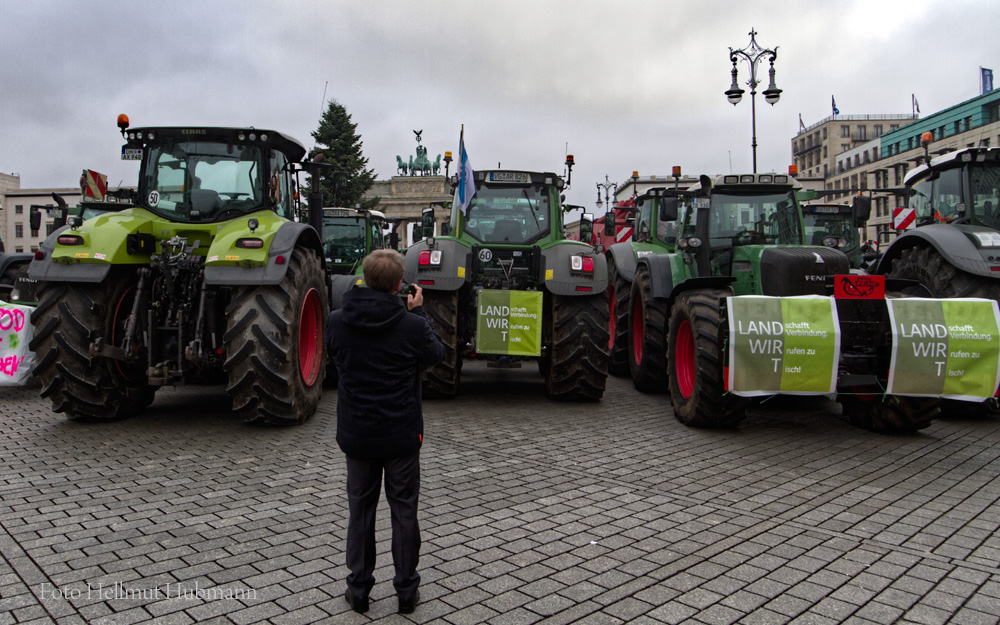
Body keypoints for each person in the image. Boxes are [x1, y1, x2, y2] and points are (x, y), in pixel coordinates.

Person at [325, 249, 445, 614]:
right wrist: (419, 311)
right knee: (404, 511)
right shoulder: (411, 325)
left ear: (363, 278)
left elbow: (335, 357)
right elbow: (436, 354)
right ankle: (406, 591)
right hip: (401, 435)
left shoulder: (336, 321)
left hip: (358, 434)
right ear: (398, 284)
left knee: (360, 510)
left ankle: (359, 589)